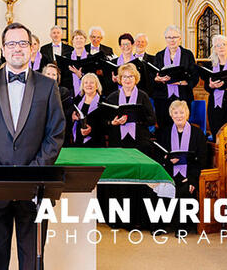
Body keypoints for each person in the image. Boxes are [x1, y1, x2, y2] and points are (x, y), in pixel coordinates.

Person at [0, 22, 65, 270]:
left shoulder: (48, 86)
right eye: (11, 43)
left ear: (32, 48)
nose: (17, 48)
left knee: (32, 260)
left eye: (23, 43)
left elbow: (56, 133)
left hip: (35, 188)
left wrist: (32, 172)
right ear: (2, 48)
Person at [102, 63, 157, 229]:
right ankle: (118, 219)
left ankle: (136, 220)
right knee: (120, 182)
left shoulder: (143, 96)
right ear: (119, 79)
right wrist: (113, 122)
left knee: (136, 181)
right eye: (124, 77)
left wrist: (137, 118)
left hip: (138, 143)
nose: (127, 80)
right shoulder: (111, 97)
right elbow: (103, 122)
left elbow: (151, 120)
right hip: (117, 142)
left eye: (130, 77)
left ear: (136, 79)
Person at [158, 100, 207, 231]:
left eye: (182, 112)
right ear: (171, 115)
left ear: (187, 114)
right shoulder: (165, 132)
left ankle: (182, 228)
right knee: (158, 189)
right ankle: (161, 226)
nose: (179, 115)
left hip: (189, 174)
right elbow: (159, 155)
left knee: (185, 189)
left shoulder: (197, 134)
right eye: (175, 112)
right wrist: (168, 161)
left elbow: (202, 159)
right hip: (169, 173)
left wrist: (192, 179)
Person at [153, 25, 199, 130]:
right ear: (165, 39)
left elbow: (194, 75)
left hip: (183, 96)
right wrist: (157, 79)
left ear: (180, 38)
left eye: (174, 37)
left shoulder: (187, 55)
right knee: (164, 128)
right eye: (169, 37)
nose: (172, 40)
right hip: (163, 98)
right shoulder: (159, 55)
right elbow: (153, 76)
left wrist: (184, 82)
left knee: (181, 127)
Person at [69, 73, 107, 147]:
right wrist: (72, 118)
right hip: (78, 142)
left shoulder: (103, 102)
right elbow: (69, 119)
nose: (88, 85)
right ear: (82, 86)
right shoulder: (76, 101)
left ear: (97, 86)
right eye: (86, 83)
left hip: (96, 143)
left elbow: (106, 125)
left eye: (92, 82)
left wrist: (91, 131)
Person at [63, 29, 89, 97]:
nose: (79, 40)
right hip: (69, 93)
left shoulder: (90, 58)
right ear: (72, 41)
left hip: (87, 92)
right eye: (76, 38)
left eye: (81, 38)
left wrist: (80, 76)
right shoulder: (66, 57)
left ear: (85, 40)